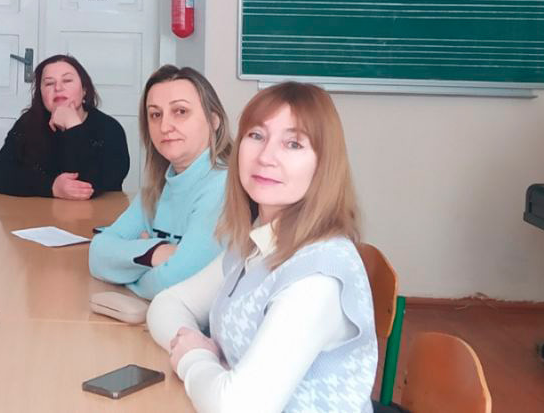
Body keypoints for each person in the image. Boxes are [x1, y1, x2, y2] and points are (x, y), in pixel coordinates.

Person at [146, 81, 376, 413]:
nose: (266, 157)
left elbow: (236, 407)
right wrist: (209, 369)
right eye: (256, 135)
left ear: (323, 164)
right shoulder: (257, 241)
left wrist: (195, 357)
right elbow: (167, 305)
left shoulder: (318, 278)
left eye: (293, 143)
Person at [89, 65, 230, 298]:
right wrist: (155, 252)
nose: (164, 127)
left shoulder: (223, 186)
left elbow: (177, 281)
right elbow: (97, 255)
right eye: (155, 114)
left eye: (180, 111)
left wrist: (127, 271)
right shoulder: (157, 187)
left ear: (214, 120)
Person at [0, 53, 130, 198]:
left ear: (84, 90)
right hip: (39, 211)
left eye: (67, 80)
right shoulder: (28, 123)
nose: (58, 88)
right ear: (40, 94)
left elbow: (90, 186)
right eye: (49, 83)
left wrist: (73, 126)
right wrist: (51, 187)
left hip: (99, 211)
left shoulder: (109, 128)